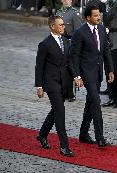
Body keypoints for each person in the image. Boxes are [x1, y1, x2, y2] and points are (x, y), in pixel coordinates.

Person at [69, 4, 114, 148]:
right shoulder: (79, 33)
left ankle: (83, 133)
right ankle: (100, 137)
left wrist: (110, 70)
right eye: (95, 15)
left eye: (99, 15)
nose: (98, 17)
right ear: (88, 17)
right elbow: (74, 56)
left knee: (90, 103)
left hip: (98, 73)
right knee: (96, 102)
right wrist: (77, 76)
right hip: (86, 74)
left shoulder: (101, 29)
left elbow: (106, 50)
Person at [35, 15, 75, 157]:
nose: (64, 27)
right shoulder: (45, 44)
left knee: (55, 111)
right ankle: (64, 146)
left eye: (64, 24)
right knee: (60, 111)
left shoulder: (66, 41)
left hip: (64, 82)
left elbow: (69, 62)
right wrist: (39, 86)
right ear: (52, 27)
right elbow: (39, 67)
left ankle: (42, 135)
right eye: (61, 25)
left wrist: (76, 77)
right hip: (51, 83)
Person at [88, 0, 117, 108]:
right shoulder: (106, 2)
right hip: (107, 37)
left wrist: (110, 0)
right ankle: (111, 96)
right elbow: (90, 8)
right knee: (109, 69)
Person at [56, 0, 84, 102]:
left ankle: (71, 93)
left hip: (70, 42)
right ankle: (63, 92)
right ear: (62, 0)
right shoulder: (58, 12)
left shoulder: (75, 13)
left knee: (70, 68)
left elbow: (78, 31)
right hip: (60, 42)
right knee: (61, 68)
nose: (67, 1)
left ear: (72, 0)